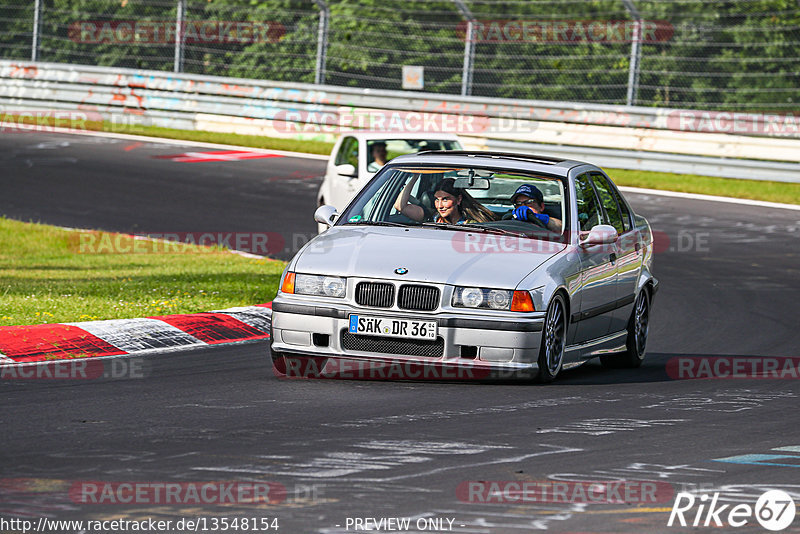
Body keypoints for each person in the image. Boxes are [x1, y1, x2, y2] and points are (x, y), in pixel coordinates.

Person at [395, 176, 494, 224]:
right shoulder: (431, 217)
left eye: (445, 199)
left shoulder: (472, 224)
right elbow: (400, 206)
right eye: (437, 200)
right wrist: (415, 176)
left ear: (458, 199)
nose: (440, 205)